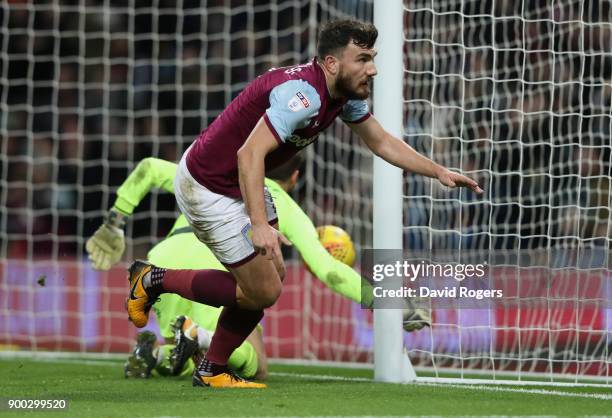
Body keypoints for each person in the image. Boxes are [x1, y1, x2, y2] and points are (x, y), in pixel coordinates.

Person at [122, 19, 481, 388]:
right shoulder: (303, 96)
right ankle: (152, 280)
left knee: (271, 279)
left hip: (236, 182)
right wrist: (259, 226)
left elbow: (381, 142)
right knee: (263, 290)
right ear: (331, 63)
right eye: (362, 59)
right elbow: (249, 155)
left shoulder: (342, 96)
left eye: (372, 58)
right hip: (209, 185)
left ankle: (211, 367)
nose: (372, 69)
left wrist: (436, 170)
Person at [88, 155, 428, 380]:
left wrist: (115, 221)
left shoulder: (217, 177)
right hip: (214, 265)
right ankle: (200, 335)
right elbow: (330, 270)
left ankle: (155, 354)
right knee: (256, 364)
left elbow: (148, 167)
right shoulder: (284, 204)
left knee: (184, 354)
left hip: (164, 255)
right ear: (294, 177)